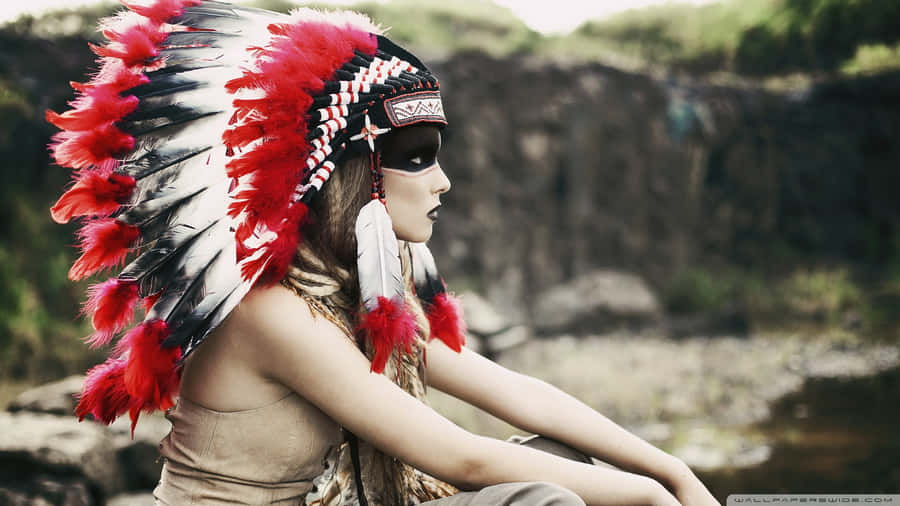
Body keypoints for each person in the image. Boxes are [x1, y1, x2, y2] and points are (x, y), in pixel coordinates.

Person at [47, 1, 722, 504]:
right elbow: (461, 459)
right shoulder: (271, 313)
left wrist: (668, 466)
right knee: (543, 498)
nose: (442, 182)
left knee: (566, 456)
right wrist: (652, 496)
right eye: (417, 158)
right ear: (351, 174)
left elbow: (515, 390)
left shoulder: (356, 287)